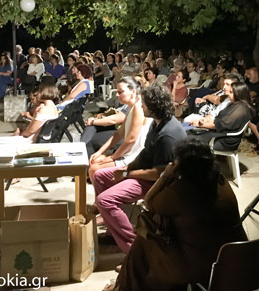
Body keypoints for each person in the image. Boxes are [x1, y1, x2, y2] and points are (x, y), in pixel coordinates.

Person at [109, 139, 247, 291]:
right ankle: (126, 283)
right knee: (162, 225)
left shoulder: (182, 191)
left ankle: (123, 285)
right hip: (236, 258)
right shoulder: (221, 182)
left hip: (203, 267)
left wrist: (165, 175)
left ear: (183, 167)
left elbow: (149, 202)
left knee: (145, 234)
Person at [92, 83, 186, 254]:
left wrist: (127, 174)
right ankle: (114, 229)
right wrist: (126, 168)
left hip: (161, 184)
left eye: (144, 103)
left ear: (153, 106)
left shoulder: (168, 134)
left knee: (104, 201)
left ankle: (134, 249)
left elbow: (159, 174)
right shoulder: (157, 124)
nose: (141, 106)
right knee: (99, 175)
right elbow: (145, 154)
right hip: (148, 174)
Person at [88, 77, 151, 180]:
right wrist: (99, 152)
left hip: (134, 157)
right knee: (94, 160)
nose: (117, 95)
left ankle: (105, 190)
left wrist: (113, 157)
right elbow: (119, 133)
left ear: (133, 91)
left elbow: (131, 139)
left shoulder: (138, 107)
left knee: (94, 169)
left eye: (120, 92)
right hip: (128, 152)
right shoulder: (132, 106)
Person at [188, 81, 255, 151]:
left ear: (238, 94)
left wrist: (199, 124)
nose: (228, 94)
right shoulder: (235, 104)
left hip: (224, 140)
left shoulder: (240, 109)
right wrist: (205, 120)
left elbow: (219, 124)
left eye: (231, 92)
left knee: (188, 138)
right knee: (187, 131)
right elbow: (219, 119)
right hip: (219, 134)